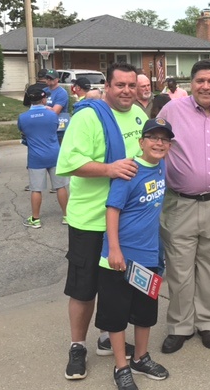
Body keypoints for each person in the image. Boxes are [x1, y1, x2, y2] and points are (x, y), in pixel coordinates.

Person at [56, 62, 148, 381]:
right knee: (83, 290)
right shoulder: (88, 116)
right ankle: (77, 346)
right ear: (107, 86)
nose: (126, 91)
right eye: (119, 85)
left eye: (131, 85)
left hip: (128, 222)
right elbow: (68, 163)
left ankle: (109, 336)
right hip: (91, 221)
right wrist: (110, 169)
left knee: (119, 289)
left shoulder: (140, 115)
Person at [157, 59, 210, 354]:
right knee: (179, 269)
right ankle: (180, 325)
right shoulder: (170, 111)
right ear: (190, 84)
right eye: (200, 81)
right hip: (179, 203)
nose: (205, 86)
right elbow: (152, 145)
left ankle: (209, 323)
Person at [96, 118, 173, 390]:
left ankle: (140, 357)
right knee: (116, 316)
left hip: (149, 257)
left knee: (145, 312)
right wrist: (114, 249)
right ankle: (121, 367)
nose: (159, 143)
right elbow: (112, 210)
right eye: (153, 137)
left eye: (164, 139)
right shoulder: (128, 171)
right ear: (141, 142)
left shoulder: (160, 166)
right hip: (119, 261)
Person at [18, 87, 69, 228]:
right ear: (44, 99)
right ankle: (67, 216)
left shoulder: (23, 117)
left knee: (36, 189)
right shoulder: (52, 115)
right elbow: (55, 128)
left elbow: (23, 132)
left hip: (36, 157)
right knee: (61, 187)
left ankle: (36, 219)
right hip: (54, 154)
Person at [44, 70, 69, 144]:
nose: (48, 80)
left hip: (58, 127)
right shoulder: (43, 91)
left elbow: (55, 112)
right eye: (47, 77)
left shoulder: (61, 93)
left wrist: (43, 107)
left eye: (51, 78)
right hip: (46, 126)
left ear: (57, 79)